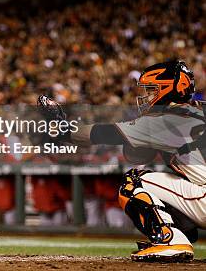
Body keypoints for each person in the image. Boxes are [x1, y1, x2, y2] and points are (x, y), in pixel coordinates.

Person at [38, 60, 205, 262]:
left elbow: (101, 134)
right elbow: (139, 154)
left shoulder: (166, 118)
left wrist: (61, 128)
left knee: (134, 182)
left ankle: (171, 240)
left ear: (170, 88)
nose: (146, 95)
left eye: (152, 89)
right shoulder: (198, 110)